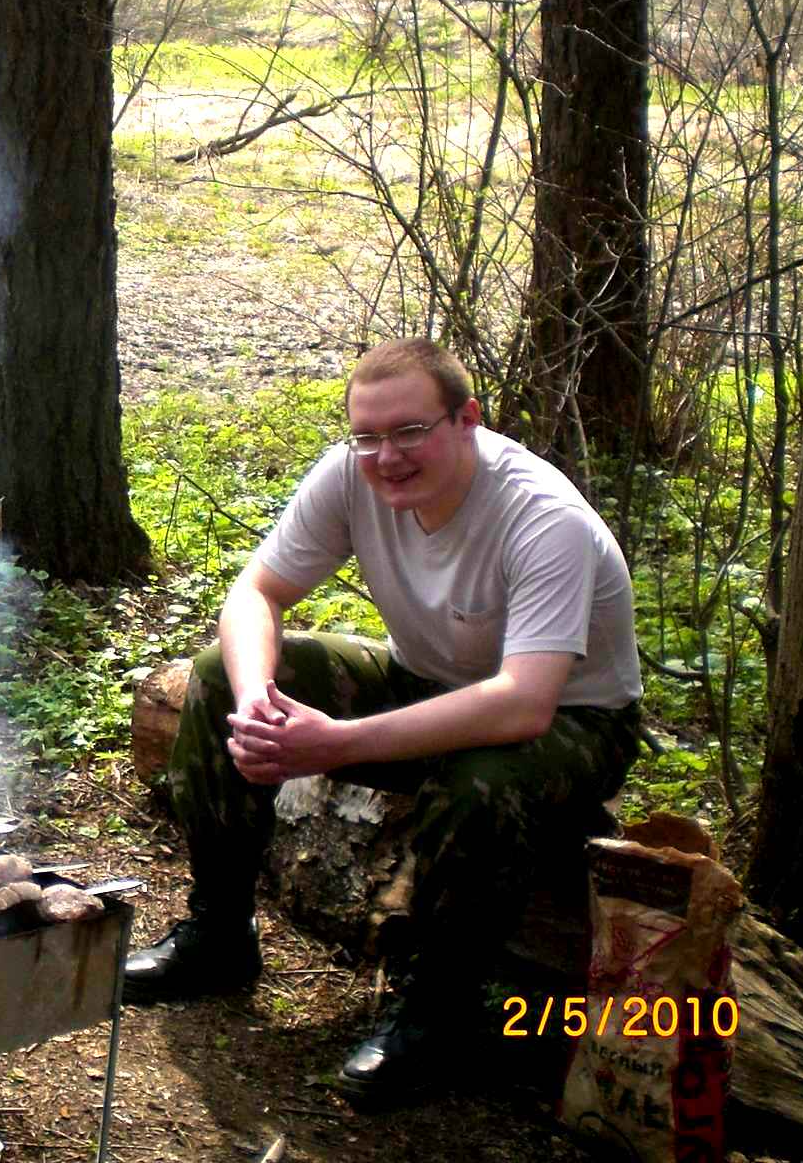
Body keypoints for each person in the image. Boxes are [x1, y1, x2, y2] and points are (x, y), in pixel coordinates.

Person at [123, 340, 643, 1108]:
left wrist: (335, 745)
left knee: (482, 781)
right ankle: (218, 932)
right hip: (424, 678)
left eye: (409, 432)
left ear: (466, 419)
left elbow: (522, 702)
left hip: (573, 719)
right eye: (366, 435)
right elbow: (254, 596)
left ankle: (438, 1013)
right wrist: (260, 697)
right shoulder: (351, 474)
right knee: (218, 676)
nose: (386, 456)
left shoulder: (543, 518)